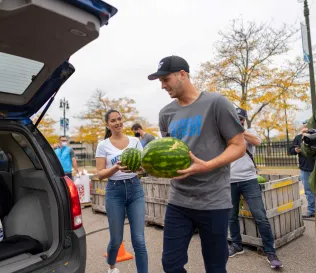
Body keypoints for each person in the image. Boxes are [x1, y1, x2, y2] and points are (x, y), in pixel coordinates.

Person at [148, 55, 246, 273]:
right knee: (171, 265)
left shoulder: (216, 102)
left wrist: (208, 165)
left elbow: (238, 145)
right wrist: (145, 165)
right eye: (160, 82)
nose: (163, 86)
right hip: (179, 201)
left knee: (215, 267)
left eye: (166, 79)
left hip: (214, 201)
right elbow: (167, 153)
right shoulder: (166, 114)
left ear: (183, 74)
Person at [228, 107, 283, 269]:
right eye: (235, 118)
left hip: (249, 180)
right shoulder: (225, 134)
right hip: (229, 181)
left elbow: (257, 142)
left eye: (240, 118)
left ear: (244, 120)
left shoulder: (249, 132)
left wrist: (239, 130)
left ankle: (270, 251)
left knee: (260, 216)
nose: (238, 120)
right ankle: (237, 245)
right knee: (231, 216)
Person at [95, 109, 148, 273]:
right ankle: (112, 267)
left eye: (119, 119)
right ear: (107, 124)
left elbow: (144, 168)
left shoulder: (135, 142)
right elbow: (100, 174)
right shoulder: (103, 145)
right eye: (113, 120)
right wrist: (115, 168)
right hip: (114, 191)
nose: (117, 122)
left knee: (139, 240)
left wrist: (141, 169)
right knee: (116, 240)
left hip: (135, 189)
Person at [289, 120, 315, 218]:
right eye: (304, 126)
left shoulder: (314, 135)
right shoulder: (298, 138)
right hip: (304, 168)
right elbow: (290, 150)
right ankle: (311, 210)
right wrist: (295, 150)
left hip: (314, 167)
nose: (305, 128)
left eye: (307, 126)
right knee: (308, 191)